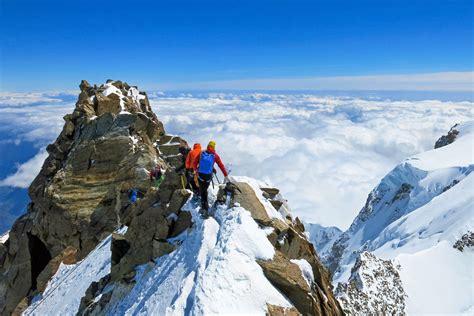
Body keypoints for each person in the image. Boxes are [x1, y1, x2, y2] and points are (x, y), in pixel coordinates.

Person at [193, 140, 229, 212]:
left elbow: (194, 163)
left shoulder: (202, 153)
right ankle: (204, 201)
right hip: (208, 177)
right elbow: (221, 165)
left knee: (203, 191)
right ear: (214, 147)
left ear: (207, 146)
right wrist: (225, 175)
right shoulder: (215, 155)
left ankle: (204, 208)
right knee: (204, 188)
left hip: (201, 175)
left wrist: (196, 169)